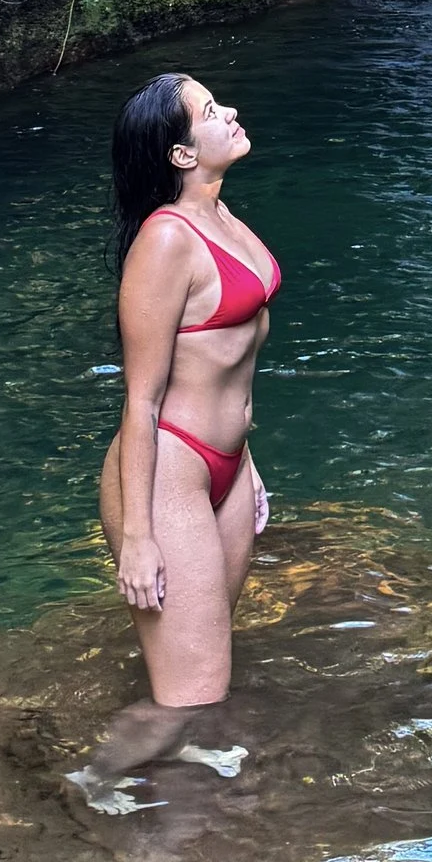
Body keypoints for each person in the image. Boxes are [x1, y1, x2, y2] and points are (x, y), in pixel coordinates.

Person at [100, 71, 280, 705]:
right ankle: (100, 785)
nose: (229, 110)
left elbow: (227, 366)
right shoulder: (167, 239)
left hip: (225, 468)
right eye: (210, 110)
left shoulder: (221, 214)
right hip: (169, 471)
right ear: (181, 154)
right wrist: (137, 539)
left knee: (205, 670)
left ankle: (148, 785)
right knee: (196, 697)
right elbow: (143, 400)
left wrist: (246, 463)